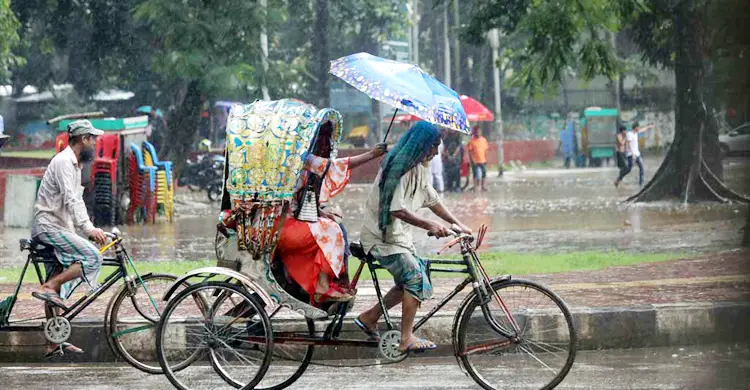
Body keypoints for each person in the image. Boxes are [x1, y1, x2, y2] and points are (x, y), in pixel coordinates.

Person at [355, 121, 471, 353]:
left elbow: (432, 199)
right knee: (415, 279)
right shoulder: (398, 169)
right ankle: (406, 338)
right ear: (421, 145)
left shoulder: (419, 167)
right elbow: (396, 210)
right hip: (381, 239)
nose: (436, 152)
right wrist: (429, 224)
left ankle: (370, 317)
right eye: (433, 146)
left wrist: (457, 224)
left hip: (397, 239)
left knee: (409, 279)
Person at [275, 138, 387, 304]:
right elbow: (334, 166)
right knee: (332, 229)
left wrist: (321, 212)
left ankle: (334, 281)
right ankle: (323, 285)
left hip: (284, 222)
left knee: (334, 223)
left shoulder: (285, 157)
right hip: (284, 226)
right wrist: (372, 154)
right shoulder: (299, 157)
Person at [30, 119, 107, 357]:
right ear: (83, 139)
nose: (94, 143)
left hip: (58, 227)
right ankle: (51, 286)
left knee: (58, 280)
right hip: (49, 227)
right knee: (92, 257)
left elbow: (76, 203)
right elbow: (71, 201)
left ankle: (54, 342)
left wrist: (88, 229)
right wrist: (88, 230)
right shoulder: (64, 162)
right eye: (92, 139)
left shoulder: (74, 165)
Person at [617, 122, 654, 187]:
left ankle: (641, 184)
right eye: (638, 127)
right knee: (629, 169)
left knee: (642, 168)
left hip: (637, 154)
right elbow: (629, 143)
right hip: (631, 154)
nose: (639, 128)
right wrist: (632, 153)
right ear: (635, 128)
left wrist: (648, 127)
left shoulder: (636, 133)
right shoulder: (629, 134)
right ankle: (619, 178)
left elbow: (642, 129)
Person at [467, 127, 489, 191]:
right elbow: (470, 152)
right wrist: (473, 160)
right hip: (475, 161)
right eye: (476, 131)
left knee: (484, 173)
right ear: (474, 132)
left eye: (479, 131)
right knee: (475, 174)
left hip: (483, 160)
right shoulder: (471, 141)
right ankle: (475, 186)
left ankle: (483, 186)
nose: (478, 133)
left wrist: (486, 159)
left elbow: (486, 150)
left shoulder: (484, 140)